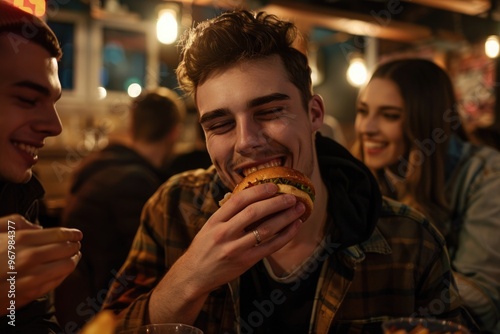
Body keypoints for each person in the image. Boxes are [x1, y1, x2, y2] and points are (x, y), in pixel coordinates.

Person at [102, 11, 478, 333]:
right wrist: (192, 276)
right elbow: (111, 326)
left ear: (314, 114)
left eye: (269, 111)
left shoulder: (411, 243)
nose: (246, 141)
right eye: (220, 124)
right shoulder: (173, 210)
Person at [352, 58, 500, 333]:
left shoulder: (487, 174)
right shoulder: (362, 178)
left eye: (389, 115)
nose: (367, 128)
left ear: (425, 121)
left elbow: (483, 302)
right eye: (363, 111)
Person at [55, 88, 185, 330]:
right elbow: (146, 271)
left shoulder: (102, 166)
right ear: (175, 133)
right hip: (97, 319)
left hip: (70, 307)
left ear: (133, 128)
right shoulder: (136, 183)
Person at [0, 2, 83, 332]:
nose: (55, 125)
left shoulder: (17, 198)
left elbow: (30, 321)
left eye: (54, 102)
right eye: (27, 99)